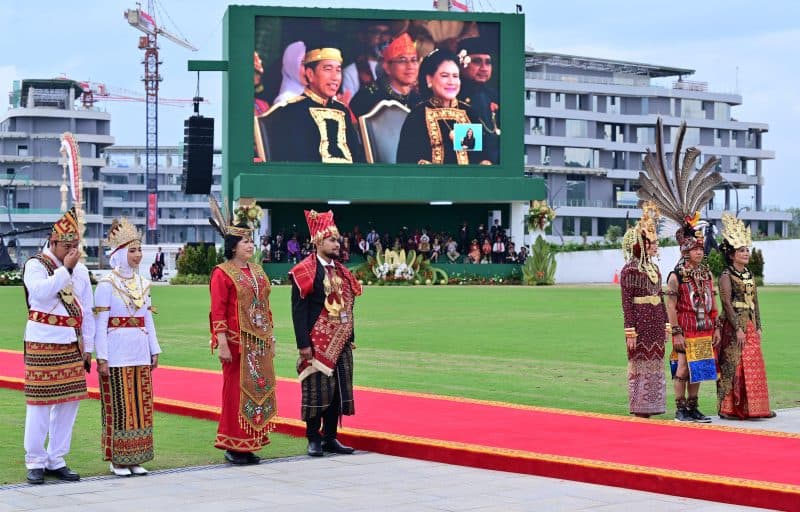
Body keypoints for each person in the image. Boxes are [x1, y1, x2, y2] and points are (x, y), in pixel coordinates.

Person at [22, 207, 95, 484]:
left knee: (69, 403)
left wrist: (87, 346)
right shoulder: (36, 264)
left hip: (70, 343)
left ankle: (57, 457)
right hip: (42, 341)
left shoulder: (82, 271)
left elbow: (86, 310)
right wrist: (66, 270)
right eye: (67, 246)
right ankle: (36, 459)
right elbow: (40, 292)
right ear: (53, 243)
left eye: (76, 246)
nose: (73, 251)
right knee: (39, 404)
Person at [208, 199, 277, 465]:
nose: (250, 245)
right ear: (233, 246)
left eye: (252, 241)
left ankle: (250, 442)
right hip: (237, 344)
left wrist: (271, 337)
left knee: (258, 390)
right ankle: (232, 444)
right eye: (245, 242)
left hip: (258, 344)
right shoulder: (222, 274)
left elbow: (265, 307)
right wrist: (222, 342)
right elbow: (219, 310)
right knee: (235, 393)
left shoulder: (258, 271)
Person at [289, 210, 362, 457]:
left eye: (338, 240)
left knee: (338, 390)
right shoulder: (305, 271)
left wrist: (350, 336)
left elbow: (349, 306)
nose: (337, 244)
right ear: (318, 242)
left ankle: (331, 437)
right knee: (316, 389)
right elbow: (298, 312)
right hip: (316, 342)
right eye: (332, 240)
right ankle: (313, 437)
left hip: (341, 341)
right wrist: (303, 346)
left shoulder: (343, 272)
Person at [94, 218, 161, 476]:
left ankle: (136, 457)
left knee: (141, 405)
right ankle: (118, 459)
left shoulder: (143, 284)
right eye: (132, 250)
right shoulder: (106, 284)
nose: (137, 255)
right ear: (120, 253)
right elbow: (101, 324)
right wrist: (102, 357)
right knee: (121, 405)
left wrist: (154, 349)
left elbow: (148, 320)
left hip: (139, 350)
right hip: (116, 351)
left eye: (139, 250)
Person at [716, 213, 774, 419]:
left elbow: (755, 302)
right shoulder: (726, 275)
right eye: (741, 250)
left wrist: (758, 324)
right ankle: (730, 408)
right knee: (734, 364)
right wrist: (738, 329)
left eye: (747, 250)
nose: (746, 253)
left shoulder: (749, 274)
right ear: (732, 255)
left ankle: (755, 407)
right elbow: (726, 304)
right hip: (734, 326)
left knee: (753, 363)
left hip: (749, 324)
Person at [267, 42, 363, 163]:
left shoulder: (342, 110)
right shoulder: (293, 111)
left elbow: (357, 156)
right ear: (310, 74)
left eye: (338, 70)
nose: (335, 77)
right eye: (328, 69)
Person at [396, 49, 491, 165]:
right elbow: (408, 161)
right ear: (429, 79)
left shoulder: (468, 113)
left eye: (455, 76)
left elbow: (478, 157)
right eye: (445, 76)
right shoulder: (417, 116)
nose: (451, 82)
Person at [619, 203, 668, 418]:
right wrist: (630, 331)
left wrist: (666, 324)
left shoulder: (655, 269)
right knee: (640, 364)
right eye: (653, 243)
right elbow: (626, 303)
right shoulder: (629, 270)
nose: (656, 246)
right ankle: (640, 408)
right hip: (640, 324)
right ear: (642, 244)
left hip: (656, 324)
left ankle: (654, 405)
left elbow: (662, 298)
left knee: (656, 364)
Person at [349, 33, 422, 118]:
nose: (410, 66)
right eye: (402, 61)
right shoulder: (366, 97)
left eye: (414, 60)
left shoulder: (419, 98)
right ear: (387, 67)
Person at [457, 37, 500, 163]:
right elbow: (466, 147)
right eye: (477, 61)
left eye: (488, 62)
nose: (484, 68)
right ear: (461, 64)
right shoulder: (455, 96)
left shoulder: (493, 96)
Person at [341, 21, 393, 99]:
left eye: (386, 33)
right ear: (363, 37)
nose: (383, 38)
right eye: (376, 32)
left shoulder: (396, 67)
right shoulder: (351, 72)